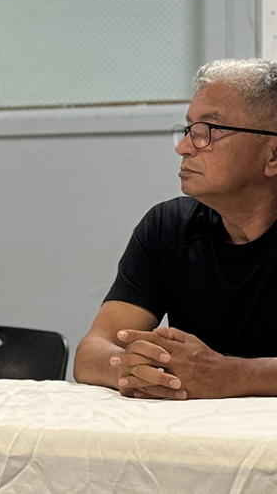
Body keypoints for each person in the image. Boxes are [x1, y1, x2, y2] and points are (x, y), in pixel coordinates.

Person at [75, 58, 277, 399]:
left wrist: (231, 376)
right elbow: (91, 352)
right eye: (189, 129)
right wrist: (134, 365)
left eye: (208, 132)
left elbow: (218, 376)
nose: (183, 147)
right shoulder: (169, 227)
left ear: (272, 155)